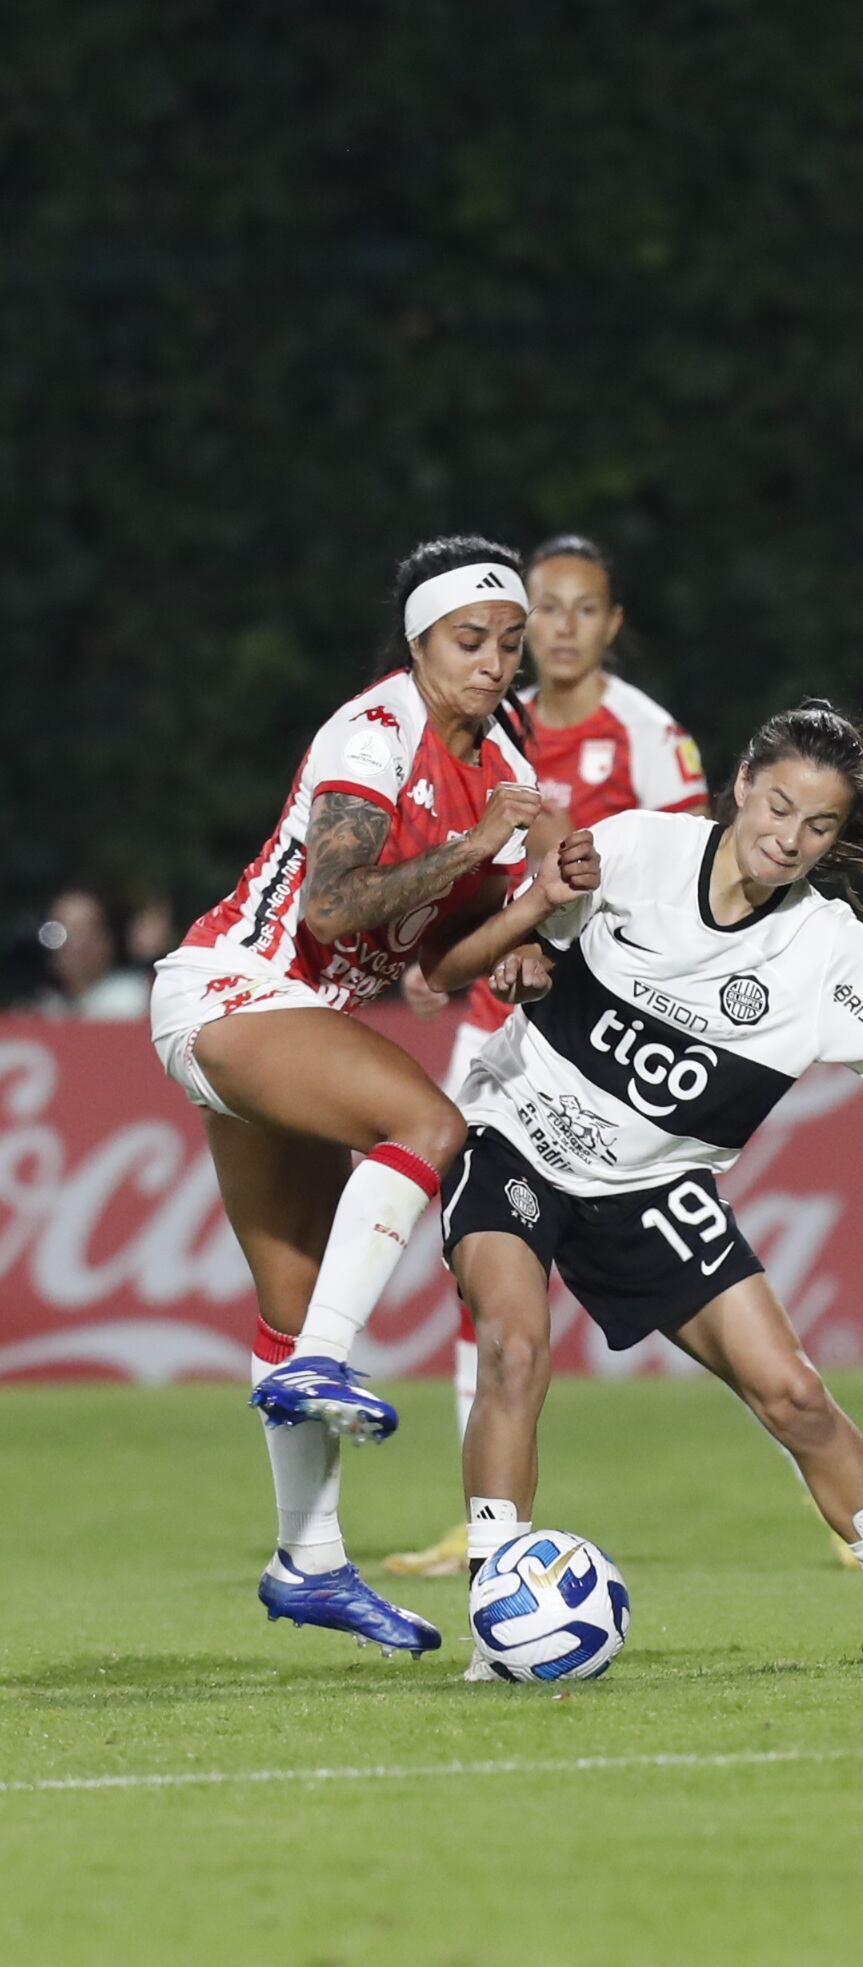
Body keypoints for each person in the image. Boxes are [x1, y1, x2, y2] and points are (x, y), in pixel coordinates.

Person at [429, 670, 863, 1679]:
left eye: (818, 824)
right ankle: (498, 1625)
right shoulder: (638, 849)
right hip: (519, 1134)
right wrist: (526, 955)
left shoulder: (826, 951)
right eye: (777, 805)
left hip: (653, 1186)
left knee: (796, 1396)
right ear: (740, 785)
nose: (790, 836)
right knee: (512, 1346)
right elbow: (510, 939)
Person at [146, 535, 563, 1657]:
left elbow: (433, 963)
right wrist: (482, 844)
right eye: (469, 640)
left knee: (287, 1300)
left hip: (292, 1014)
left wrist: (523, 931)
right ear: (419, 643)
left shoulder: (502, 752)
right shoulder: (375, 731)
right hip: (235, 985)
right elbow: (330, 909)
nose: (494, 661)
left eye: (508, 642)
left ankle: (310, 1562)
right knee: (429, 1123)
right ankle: (328, 1361)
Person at [384, 532, 710, 1579]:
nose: (562, 629)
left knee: (703, 1268)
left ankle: (827, 1485)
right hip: (497, 1025)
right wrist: (443, 952)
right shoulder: (491, 720)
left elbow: (694, 888)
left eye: (582, 608)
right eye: (546, 610)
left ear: (612, 624)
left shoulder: (651, 738)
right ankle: (477, 1512)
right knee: (481, 1259)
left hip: (606, 1040)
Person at [37, 888, 152, 1019]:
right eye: (59, 930)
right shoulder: (46, 1004)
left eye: (82, 931)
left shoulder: (134, 997)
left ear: (108, 939)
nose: (70, 944)